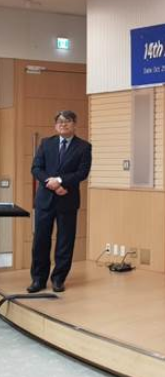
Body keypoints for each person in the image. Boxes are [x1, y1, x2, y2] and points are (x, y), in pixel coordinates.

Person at [28, 110, 92, 294]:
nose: (63, 124)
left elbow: (82, 173)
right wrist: (52, 183)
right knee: (40, 241)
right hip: (45, 200)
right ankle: (38, 279)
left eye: (67, 121)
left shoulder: (84, 147)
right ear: (56, 125)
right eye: (60, 122)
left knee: (65, 241)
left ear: (74, 124)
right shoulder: (46, 143)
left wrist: (61, 181)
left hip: (67, 200)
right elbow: (36, 168)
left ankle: (58, 279)